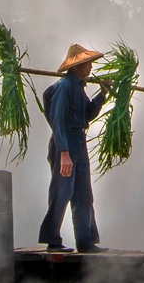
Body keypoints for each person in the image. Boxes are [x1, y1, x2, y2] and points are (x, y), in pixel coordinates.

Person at [39, 43, 110, 253]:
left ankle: (86, 241)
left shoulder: (78, 88)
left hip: (78, 142)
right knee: (63, 191)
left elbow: (86, 115)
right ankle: (52, 239)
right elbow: (58, 120)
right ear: (78, 66)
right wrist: (63, 152)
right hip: (65, 143)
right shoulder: (65, 87)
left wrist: (102, 94)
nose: (90, 68)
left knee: (83, 193)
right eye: (88, 64)